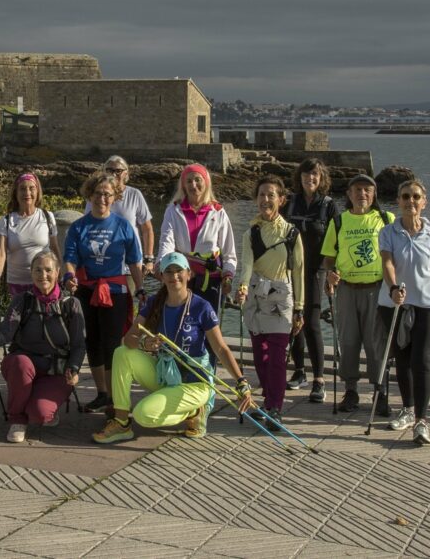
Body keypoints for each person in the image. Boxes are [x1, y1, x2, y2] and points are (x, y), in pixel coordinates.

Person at [93, 252, 254, 443]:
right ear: (161, 276)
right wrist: (144, 343)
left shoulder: (201, 307)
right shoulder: (154, 302)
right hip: (166, 374)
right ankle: (121, 423)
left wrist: (241, 382)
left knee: (143, 415)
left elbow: (221, 349)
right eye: (168, 271)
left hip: (195, 383)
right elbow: (128, 339)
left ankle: (195, 411)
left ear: (189, 274)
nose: (174, 276)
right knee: (121, 353)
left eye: (179, 271)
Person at [0, 251, 85, 443]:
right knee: (20, 362)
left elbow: (78, 344)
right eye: (38, 270)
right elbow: (5, 333)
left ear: (57, 272)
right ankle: (17, 419)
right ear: (31, 273)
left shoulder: (71, 304)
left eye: (48, 270)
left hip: (55, 371)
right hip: (23, 366)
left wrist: (74, 368)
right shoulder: (22, 300)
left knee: (40, 414)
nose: (43, 275)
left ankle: (35, 403)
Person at [64, 171, 143, 414]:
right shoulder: (78, 227)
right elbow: (70, 258)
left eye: (107, 194)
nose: (102, 198)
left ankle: (115, 398)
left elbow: (134, 261)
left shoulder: (123, 226)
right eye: (98, 193)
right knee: (92, 342)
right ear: (90, 195)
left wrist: (140, 287)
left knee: (113, 345)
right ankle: (101, 394)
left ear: (115, 197)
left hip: (115, 291)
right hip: (86, 291)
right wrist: (69, 277)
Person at [234, 175, 305, 429]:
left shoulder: (292, 234)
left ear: (281, 200)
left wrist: (299, 308)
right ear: (256, 199)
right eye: (261, 195)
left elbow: (298, 271)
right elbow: (246, 265)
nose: (266, 199)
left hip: (281, 297)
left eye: (271, 195)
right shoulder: (250, 233)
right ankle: (267, 401)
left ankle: (275, 407)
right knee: (260, 357)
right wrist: (242, 288)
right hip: (255, 297)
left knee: (276, 358)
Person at [322, 173, 395, 415]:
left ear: (374, 194)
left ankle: (380, 391)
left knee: (376, 343)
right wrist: (331, 273)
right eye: (357, 189)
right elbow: (329, 257)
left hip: (376, 289)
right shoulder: (338, 221)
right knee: (349, 341)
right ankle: (351, 390)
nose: (362, 194)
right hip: (347, 289)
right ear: (349, 194)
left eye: (367, 190)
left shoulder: (386, 219)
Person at [379, 180, 430, 445]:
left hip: (426, 305)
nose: (411, 202)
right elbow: (387, 262)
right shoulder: (388, 232)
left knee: (422, 362)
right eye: (405, 197)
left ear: (424, 202)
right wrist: (393, 287)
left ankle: (421, 420)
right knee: (403, 359)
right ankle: (407, 409)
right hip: (394, 303)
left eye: (416, 197)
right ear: (398, 201)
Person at [282, 157, 339, 402]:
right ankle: (299, 371)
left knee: (312, 322)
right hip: (290, 270)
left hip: (316, 271)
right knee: (292, 320)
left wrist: (333, 272)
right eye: (306, 174)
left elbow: (337, 240)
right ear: (300, 177)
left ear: (321, 177)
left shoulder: (328, 206)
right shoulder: (289, 203)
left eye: (315, 174)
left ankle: (319, 379)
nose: (310, 178)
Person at [157, 163, 236, 310]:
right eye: (189, 181)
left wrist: (228, 275)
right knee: (180, 320)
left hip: (210, 279)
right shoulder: (173, 210)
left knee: (207, 321)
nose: (193, 185)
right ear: (183, 185)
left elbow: (229, 252)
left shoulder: (218, 212)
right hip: (180, 277)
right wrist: (162, 264)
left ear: (206, 182)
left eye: (198, 179)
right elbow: (166, 242)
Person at [0, 172, 61, 297]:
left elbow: (54, 248)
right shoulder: (6, 221)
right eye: (22, 189)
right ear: (16, 193)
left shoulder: (47, 217)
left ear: (37, 191)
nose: (27, 193)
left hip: (44, 282)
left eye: (31, 188)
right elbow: (0, 253)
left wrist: (61, 276)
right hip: (17, 284)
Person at [84, 155, 155, 276]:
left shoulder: (134, 195)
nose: (114, 174)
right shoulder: (95, 196)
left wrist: (149, 259)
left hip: (130, 264)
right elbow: (87, 226)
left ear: (126, 173)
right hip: (101, 262)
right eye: (109, 170)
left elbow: (147, 229)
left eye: (118, 171)